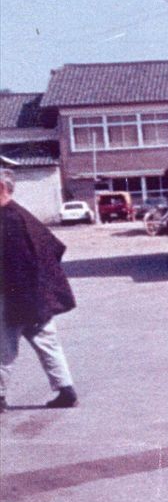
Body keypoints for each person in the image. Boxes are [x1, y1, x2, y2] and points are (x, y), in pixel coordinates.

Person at [0, 168, 78, 412]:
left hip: (13, 297)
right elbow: (55, 248)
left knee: (4, 349)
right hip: (38, 297)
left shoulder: (5, 220)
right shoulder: (25, 216)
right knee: (48, 344)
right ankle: (66, 390)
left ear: (1, 188)